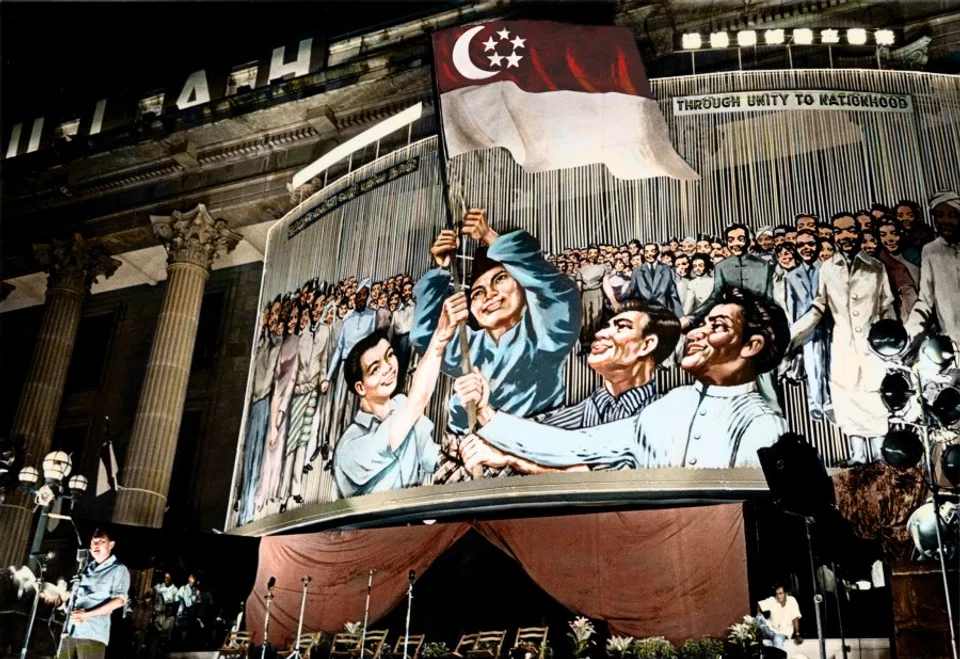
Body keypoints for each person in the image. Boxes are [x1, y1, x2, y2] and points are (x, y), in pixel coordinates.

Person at [455, 289, 789, 473]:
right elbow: (576, 445)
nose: (696, 333)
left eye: (716, 327)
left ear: (751, 346)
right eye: (701, 324)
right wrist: (487, 413)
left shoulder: (763, 423)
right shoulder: (674, 405)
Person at [411, 208, 581, 438]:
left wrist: (490, 236)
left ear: (523, 285)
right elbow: (426, 338)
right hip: (473, 447)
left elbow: (558, 293)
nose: (489, 294)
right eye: (477, 293)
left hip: (537, 440)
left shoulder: (543, 334)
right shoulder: (469, 345)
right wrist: (441, 269)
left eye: (500, 279)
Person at [333, 291, 466, 496]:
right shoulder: (349, 448)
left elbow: (433, 458)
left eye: (389, 356)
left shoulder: (401, 405)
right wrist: (439, 338)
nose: (388, 368)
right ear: (360, 388)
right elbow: (417, 402)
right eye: (375, 369)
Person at [790, 212, 895, 466]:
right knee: (847, 396)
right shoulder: (828, 268)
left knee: (874, 396)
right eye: (840, 232)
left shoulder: (876, 267)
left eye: (850, 231)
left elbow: (886, 306)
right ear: (834, 236)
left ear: (858, 233)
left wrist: (890, 344)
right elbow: (818, 307)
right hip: (843, 346)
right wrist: (792, 334)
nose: (845, 237)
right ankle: (858, 455)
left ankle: (880, 455)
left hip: (874, 347)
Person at [538, 299, 679, 430]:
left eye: (622, 327)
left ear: (647, 344)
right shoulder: (549, 425)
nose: (600, 334)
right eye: (606, 326)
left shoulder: (680, 418)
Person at [685, 222, 779, 413]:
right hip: (733, 333)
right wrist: (691, 319)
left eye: (740, 238)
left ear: (748, 240)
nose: (736, 243)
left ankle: (775, 424)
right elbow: (714, 299)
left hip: (759, 331)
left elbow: (770, 300)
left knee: (767, 387)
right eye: (731, 239)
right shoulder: (722, 267)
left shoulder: (764, 266)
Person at [41, 529, 130, 659]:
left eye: (101, 541)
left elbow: (119, 600)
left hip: (92, 633)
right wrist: (61, 604)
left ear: (111, 544)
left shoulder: (118, 569)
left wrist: (87, 614)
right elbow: (74, 601)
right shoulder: (85, 569)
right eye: (93, 542)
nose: (96, 545)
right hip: (69, 632)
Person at [237, 298, 281, 525]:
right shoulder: (260, 342)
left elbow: (275, 387)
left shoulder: (277, 345)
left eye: (274, 315)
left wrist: (273, 424)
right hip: (249, 405)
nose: (271, 319)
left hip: (263, 405)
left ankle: (248, 515)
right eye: (268, 315)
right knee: (244, 461)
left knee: (255, 463)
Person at [256, 297, 300, 512]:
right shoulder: (277, 344)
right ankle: (263, 495)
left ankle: (271, 493)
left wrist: (281, 410)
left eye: (292, 318)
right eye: (284, 319)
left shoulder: (294, 342)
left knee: (278, 447)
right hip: (275, 401)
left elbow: (289, 380)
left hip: (285, 402)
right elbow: (275, 382)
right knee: (270, 447)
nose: (287, 323)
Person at [785, 230, 832, 421]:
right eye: (801, 245)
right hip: (806, 328)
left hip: (829, 325)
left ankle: (830, 401)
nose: (807, 248)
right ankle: (815, 403)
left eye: (811, 244)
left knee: (830, 365)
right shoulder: (792, 276)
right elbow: (791, 307)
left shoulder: (827, 270)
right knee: (812, 366)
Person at [906, 189, 960, 345]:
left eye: (953, 215)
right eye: (939, 215)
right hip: (953, 343)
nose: (946, 221)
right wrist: (909, 332)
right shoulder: (930, 251)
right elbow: (925, 299)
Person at [621, 242, 684, 318]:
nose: (649, 254)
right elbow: (631, 291)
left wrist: (680, 316)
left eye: (652, 251)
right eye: (646, 252)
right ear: (643, 253)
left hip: (663, 311)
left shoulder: (666, 269)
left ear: (658, 252)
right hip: (645, 313)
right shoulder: (637, 272)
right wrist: (618, 301)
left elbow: (673, 292)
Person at [875, 215, 920, 321]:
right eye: (883, 235)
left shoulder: (913, 255)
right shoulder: (879, 262)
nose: (889, 239)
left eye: (894, 233)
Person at [576, 245, 611, 354]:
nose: (593, 255)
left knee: (597, 319)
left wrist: (613, 300)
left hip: (597, 294)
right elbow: (579, 287)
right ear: (587, 254)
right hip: (586, 295)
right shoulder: (581, 270)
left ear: (598, 254)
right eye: (590, 252)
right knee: (586, 320)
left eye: (595, 253)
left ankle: (596, 345)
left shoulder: (603, 268)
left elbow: (606, 285)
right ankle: (585, 345)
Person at [756, 584, 802, 650]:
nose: (778, 596)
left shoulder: (792, 601)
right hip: (770, 629)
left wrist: (797, 634)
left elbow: (795, 618)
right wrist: (758, 613)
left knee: (778, 641)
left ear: (786, 593)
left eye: (780, 593)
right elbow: (759, 604)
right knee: (757, 619)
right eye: (776, 594)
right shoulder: (772, 600)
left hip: (782, 632)